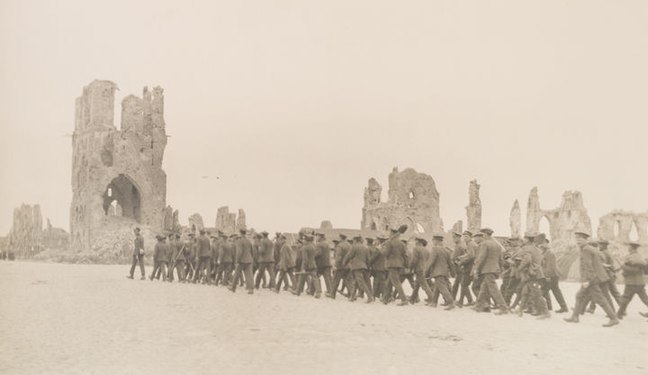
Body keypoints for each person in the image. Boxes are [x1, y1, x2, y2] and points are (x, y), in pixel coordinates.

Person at [564, 232, 619, 327]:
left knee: (599, 299)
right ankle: (575, 316)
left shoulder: (586, 250)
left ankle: (613, 318)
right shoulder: (590, 249)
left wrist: (586, 280)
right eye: (577, 239)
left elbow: (587, 266)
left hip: (592, 279)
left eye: (580, 239)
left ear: (586, 240)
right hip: (597, 277)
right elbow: (598, 260)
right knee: (579, 296)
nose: (578, 241)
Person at [472, 228, 508, 314]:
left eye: (482, 234)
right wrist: (500, 269)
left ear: (485, 234)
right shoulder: (497, 245)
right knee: (484, 288)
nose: (482, 236)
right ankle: (479, 306)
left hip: (487, 269)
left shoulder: (485, 244)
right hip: (494, 269)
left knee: (494, 289)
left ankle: (503, 307)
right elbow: (500, 259)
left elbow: (481, 258)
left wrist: (476, 269)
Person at [514, 233, 550, 319]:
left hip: (532, 274)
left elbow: (527, 260)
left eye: (524, 238)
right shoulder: (537, 249)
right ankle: (520, 310)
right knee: (525, 292)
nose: (523, 240)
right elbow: (541, 261)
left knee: (536, 293)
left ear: (527, 240)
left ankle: (545, 312)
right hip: (536, 272)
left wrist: (520, 268)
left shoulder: (527, 249)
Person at [616, 242, 648, 318]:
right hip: (637, 282)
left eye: (629, 247)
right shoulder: (635, 256)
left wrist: (622, 265)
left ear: (632, 248)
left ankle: (619, 314)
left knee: (625, 299)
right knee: (642, 299)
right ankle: (619, 314)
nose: (628, 248)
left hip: (633, 282)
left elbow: (634, 270)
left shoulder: (635, 257)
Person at [428, 235, 457, 310]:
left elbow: (431, 261)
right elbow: (450, 263)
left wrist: (425, 271)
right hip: (444, 271)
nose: (433, 242)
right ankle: (434, 302)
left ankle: (451, 302)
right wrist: (453, 272)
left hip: (438, 271)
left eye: (433, 240)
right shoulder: (446, 250)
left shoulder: (435, 249)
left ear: (437, 241)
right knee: (437, 286)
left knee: (442, 287)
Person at [343, 236, 374, 303]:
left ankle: (369, 297)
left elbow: (349, 255)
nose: (353, 241)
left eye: (353, 240)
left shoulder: (354, 246)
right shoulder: (366, 248)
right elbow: (368, 259)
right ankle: (352, 297)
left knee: (361, 282)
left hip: (357, 267)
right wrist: (367, 267)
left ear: (356, 240)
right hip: (364, 267)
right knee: (356, 282)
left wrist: (344, 263)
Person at [540, 237, 568, 313]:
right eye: (541, 244)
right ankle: (563, 307)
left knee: (542, 292)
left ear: (546, 244)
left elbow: (550, 266)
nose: (541, 245)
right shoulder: (545, 252)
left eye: (543, 243)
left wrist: (547, 276)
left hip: (551, 276)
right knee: (556, 291)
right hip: (552, 275)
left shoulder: (549, 253)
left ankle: (540, 308)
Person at [383, 228, 409, 306]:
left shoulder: (389, 242)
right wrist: (406, 265)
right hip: (399, 265)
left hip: (392, 264)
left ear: (392, 234)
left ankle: (404, 300)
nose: (388, 234)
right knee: (389, 282)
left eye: (389, 233)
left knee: (396, 282)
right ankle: (386, 298)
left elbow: (386, 253)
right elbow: (405, 256)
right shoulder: (402, 244)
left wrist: (381, 249)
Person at [409, 237, 434, 306]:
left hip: (419, 269)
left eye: (416, 241)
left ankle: (432, 299)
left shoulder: (416, 249)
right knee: (417, 284)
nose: (415, 242)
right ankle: (412, 298)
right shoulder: (426, 250)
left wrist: (410, 268)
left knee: (424, 285)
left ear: (418, 242)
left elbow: (414, 260)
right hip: (425, 269)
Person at [230, 229, 255, 294]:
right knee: (249, 275)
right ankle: (251, 289)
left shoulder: (239, 241)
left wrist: (237, 261)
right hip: (249, 260)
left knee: (236, 274)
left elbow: (239, 252)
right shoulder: (249, 241)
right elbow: (252, 251)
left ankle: (233, 288)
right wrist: (251, 258)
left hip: (241, 260)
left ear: (240, 233)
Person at [329, 234, 352, 299]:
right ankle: (351, 294)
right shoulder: (349, 245)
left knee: (335, 280)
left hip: (340, 266)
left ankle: (332, 294)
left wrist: (336, 266)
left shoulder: (340, 246)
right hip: (348, 265)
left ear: (340, 238)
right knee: (348, 281)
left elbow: (338, 257)